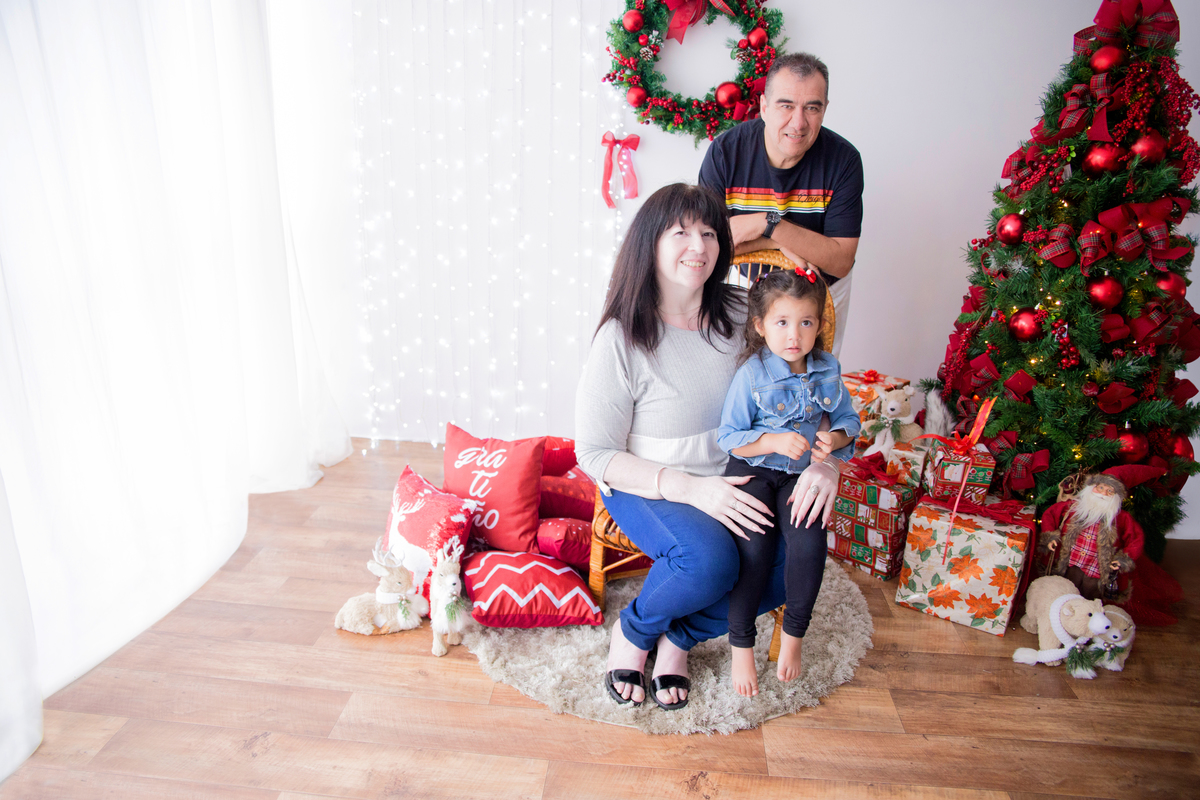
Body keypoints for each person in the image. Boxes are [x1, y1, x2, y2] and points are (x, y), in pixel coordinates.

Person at [574, 182, 842, 711]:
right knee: (710, 561)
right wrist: (692, 490)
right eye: (680, 232)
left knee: (795, 559)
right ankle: (635, 631)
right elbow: (596, 455)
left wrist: (827, 463)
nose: (698, 245)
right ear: (649, 242)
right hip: (647, 483)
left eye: (708, 232)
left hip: (744, 473)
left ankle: (681, 637)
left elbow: (813, 391)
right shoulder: (620, 338)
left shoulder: (747, 314)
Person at [716, 267, 859, 697]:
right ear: (761, 326)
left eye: (806, 322)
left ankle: (793, 637)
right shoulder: (752, 375)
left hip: (797, 476)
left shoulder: (828, 369)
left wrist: (833, 440)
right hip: (755, 470)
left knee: (810, 543)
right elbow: (729, 437)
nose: (794, 334)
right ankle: (741, 643)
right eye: (782, 322)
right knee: (754, 547)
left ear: (819, 325)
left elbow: (850, 421)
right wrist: (773, 440)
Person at [698, 52, 863, 359]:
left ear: (825, 110)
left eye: (811, 108)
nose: (798, 122)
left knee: (814, 388)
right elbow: (708, 244)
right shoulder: (726, 153)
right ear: (763, 106)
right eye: (786, 105)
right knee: (740, 381)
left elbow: (840, 260)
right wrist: (774, 240)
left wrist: (770, 224)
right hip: (744, 286)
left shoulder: (844, 160)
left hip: (819, 293)